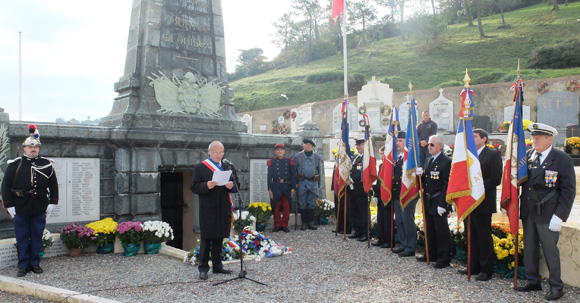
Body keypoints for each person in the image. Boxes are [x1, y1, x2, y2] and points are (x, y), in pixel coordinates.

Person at [517, 123, 575, 301]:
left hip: (549, 213)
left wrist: (560, 216)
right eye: (533, 137)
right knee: (530, 249)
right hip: (529, 211)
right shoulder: (528, 156)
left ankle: (556, 287)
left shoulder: (561, 159)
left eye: (538, 137)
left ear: (550, 138)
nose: (534, 140)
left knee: (550, 251)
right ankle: (533, 280)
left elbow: (568, 190)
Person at [2, 125, 58, 277]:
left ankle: (34, 263)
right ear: (24, 148)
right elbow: (6, 186)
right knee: (21, 236)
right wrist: (9, 205)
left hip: (39, 205)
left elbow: (53, 183)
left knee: (36, 236)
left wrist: (52, 201)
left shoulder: (46, 164)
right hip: (20, 206)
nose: (33, 149)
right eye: (30, 146)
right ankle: (23, 264)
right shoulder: (15, 165)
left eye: (35, 147)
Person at [457, 129, 502, 281]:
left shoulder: (492, 154)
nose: (472, 139)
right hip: (468, 201)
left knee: (483, 237)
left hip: (483, 202)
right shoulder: (467, 155)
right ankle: (473, 266)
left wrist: (477, 187)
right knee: (471, 236)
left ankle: (486, 270)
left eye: (475, 136)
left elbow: (496, 178)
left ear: (484, 139)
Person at [190, 141, 236, 280]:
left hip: (224, 207)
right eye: (216, 152)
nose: (219, 155)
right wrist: (206, 185)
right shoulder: (200, 167)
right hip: (208, 208)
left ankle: (217, 266)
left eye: (221, 152)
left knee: (219, 237)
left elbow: (237, 186)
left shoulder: (228, 166)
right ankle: (203, 268)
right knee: (207, 238)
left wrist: (231, 186)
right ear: (209, 152)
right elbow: (194, 187)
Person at [416, 134, 451, 268]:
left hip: (438, 199)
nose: (429, 147)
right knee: (429, 229)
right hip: (428, 199)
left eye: (432, 144)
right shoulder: (428, 160)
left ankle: (443, 258)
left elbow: (446, 184)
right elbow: (426, 181)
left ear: (440, 146)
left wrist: (443, 204)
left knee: (441, 231)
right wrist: (420, 176)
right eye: (429, 144)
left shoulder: (446, 161)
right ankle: (430, 254)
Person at [392, 131, 420, 257]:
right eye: (397, 141)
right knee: (399, 221)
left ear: (407, 142)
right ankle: (403, 244)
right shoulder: (399, 158)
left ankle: (410, 247)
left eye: (400, 141)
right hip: (398, 194)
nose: (398, 143)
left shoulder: (411, 158)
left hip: (408, 194)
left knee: (408, 221)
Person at [294, 138, 323, 230]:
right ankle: (304, 223)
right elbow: (293, 171)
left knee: (311, 203)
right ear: (303, 145)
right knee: (302, 203)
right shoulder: (298, 156)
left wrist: (319, 185)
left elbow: (320, 171)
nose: (308, 146)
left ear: (313, 147)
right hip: (302, 182)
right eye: (306, 144)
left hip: (313, 183)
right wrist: (295, 183)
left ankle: (310, 222)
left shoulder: (317, 157)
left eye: (310, 145)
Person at [267, 143, 295, 233]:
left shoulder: (289, 161)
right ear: (275, 151)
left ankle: (284, 224)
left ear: (284, 151)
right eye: (278, 150)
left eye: (281, 149)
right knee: (276, 206)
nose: (280, 151)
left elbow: (293, 175)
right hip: (276, 186)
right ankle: (277, 224)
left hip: (287, 186)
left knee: (286, 206)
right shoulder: (272, 162)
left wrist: (293, 187)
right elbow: (269, 176)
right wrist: (269, 189)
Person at [347, 138, 370, 242]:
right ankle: (358, 231)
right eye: (357, 145)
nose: (358, 147)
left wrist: (351, 179)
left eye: (360, 145)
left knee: (363, 211)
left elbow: (364, 173)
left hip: (362, 188)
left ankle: (365, 233)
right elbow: (351, 170)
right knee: (354, 210)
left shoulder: (367, 158)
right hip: (353, 188)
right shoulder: (356, 157)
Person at [372, 146, 393, 248]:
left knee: (387, 220)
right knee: (380, 219)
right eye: (380, 154)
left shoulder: (392, 165)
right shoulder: (381, 166)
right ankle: (381, 238)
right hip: (380, 196)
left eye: (383, 153)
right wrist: (375, 193)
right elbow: (379, 181)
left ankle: (388, 241)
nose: (381, 156)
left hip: (388, 197)